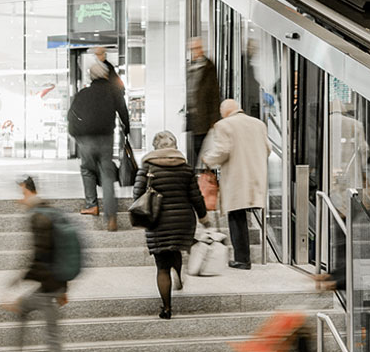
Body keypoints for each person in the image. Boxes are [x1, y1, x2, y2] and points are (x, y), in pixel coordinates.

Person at [4, 176, 76, 352]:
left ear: (28, 191)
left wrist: (20, 280)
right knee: (22, 307)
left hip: (48, 287)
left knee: (53, 342)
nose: (20, 199)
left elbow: (42, 256)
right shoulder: (47, 211)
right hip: (52, 285)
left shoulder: (39, 217)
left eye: (22, 193)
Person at [132, 131, 206, 318]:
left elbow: (137, 194)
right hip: (183, 220)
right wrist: (204, 216)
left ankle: (166, 308)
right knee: (176, 250)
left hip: (157, 221)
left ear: (156, 147)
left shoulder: (148, 167)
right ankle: (179, 276)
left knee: (161, 266)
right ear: (174, 146)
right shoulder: (186, 168)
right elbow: (195, 196)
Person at [201, 97, 271, 270]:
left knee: (236, 215)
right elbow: (268, 148)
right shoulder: (258, 124)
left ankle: (242, 259)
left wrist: (207, 159)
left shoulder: (223, 125)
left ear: (224, 112)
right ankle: (249, 257)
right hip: (256, 176)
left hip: (237, 177)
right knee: (244, 214)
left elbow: (223, 151)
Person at [66, 50, 131, 230]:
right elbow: (123, 112)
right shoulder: (113, 92)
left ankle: (92, 205)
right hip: (106, 137)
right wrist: (127, 130)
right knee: (107, 174)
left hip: (85, 139)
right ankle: (111, 217)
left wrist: (76, 135)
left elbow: (71, 116)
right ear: (105, 75)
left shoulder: (83, 94)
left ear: (91, 77)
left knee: (87, 170)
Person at [185, 37, 221, 175]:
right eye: (193, 49)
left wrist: (214, 120)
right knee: (197, 150)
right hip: (194, 118)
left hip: (205, 119)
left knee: (205, 152)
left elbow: (214, 95)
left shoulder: (208, 67)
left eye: (197, 48)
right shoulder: (190, 67)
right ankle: (201, 181)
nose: (196, 51)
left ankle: (207, 181)